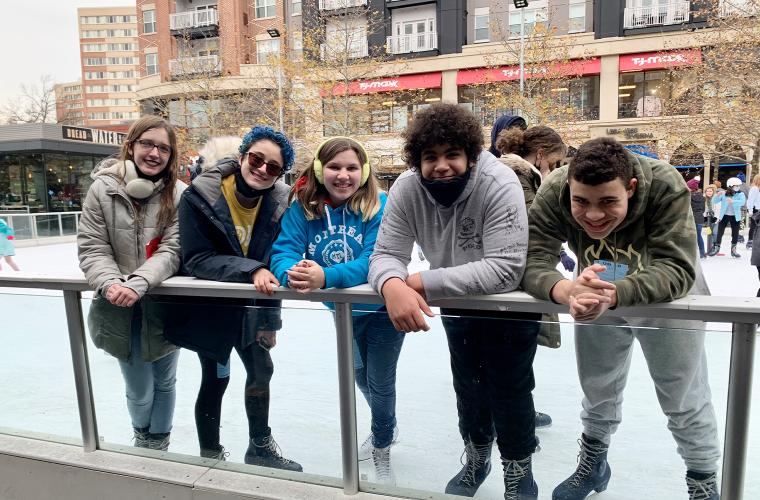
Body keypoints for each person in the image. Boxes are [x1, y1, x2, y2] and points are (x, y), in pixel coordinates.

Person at [523, 137, 720, 500]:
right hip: (595, 286)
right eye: (580, 202)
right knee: (597, 386)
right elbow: (533, 259)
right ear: (569, 187)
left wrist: (617, 293)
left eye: (609, 201)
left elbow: (677, 268)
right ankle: (594, 463)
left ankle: (703, 481)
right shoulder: (554, 189)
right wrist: (567, 291)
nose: (594, 215)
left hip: (667, 298)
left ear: (630, 188)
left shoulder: (664, 185)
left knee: (683, 396)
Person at [368, 103, 540, 499]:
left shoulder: (499, 182)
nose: (441, 166)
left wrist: (419, 281)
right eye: (430, 157)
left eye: (452, 155)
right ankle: (477, 455)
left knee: (511, 388)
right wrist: (393, 286)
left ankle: (518, 470)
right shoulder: (407, 189)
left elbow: (505, 269)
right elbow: (384, 254)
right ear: (416, 161)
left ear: (471, 154)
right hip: (457, 302)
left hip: (509, 305)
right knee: (468, 384)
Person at [164, 126, 302, 471]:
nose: (262, 170)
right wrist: (251, 269)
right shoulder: (201, 195)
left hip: (255, 309)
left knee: (261, 371)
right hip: (212, 309)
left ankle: (260, 447)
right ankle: (210, 453)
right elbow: (196, 258)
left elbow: (276, 262)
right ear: (242, 157)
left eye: (274, 167)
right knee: (216, 377)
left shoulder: (280, 201)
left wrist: (271, 321)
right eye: (257, 159)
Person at [270, 136, 403, 485]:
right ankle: (385, 423)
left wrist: (325, 275)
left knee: (381, 382)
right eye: (334, 167)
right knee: (360, 376)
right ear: (319, 169)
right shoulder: (303, 208)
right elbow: (284, 250)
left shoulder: (380, 205)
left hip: (383, 312)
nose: (343, 175)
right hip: (342, 313)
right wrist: (292, 272)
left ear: (364, 171)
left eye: (351, 168)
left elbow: (375, 259)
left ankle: (383, 446)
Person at [77, 115, 185, 451]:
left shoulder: (180, 194)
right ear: (131, 146)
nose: (154, 153)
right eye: (147, 144)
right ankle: (143, 436)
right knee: (139, 386)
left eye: (163, 148)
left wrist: (139, 282)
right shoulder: (102, 190)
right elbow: (92, 246)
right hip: (119, 307)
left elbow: (174, 249)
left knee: (166, 381)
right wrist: (110, 284)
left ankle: (158, 444)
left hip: (165, 307)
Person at [494, 124, 570, 431]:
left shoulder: (523, 176)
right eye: (554, 162)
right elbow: (529, 224)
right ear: (540, 155)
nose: (554, 168)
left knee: (517, 355)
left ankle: (520, 412)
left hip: (521, 272)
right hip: (517, 276)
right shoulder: (519, 177)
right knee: (514, 355)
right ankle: (516, 420)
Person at [707, 176, 746, 258]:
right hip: (724, 216)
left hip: (735, 216)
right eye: (736, 186)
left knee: (735, 233)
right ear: (730, 186)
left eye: (738, 186)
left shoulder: (741, 194)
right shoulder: (724, 193)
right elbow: (714, 201)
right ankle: (716, 248)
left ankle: (733, 250)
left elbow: (742, 202)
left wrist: (733, 201)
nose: (738, 187)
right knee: (719, 233)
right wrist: (717, 195)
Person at [687, 178, 707, 259]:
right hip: (699, 219)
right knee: (698, 236)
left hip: (691, 218)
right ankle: (702, 252)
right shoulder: (702, 197)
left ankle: (691, 253)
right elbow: (703, 209)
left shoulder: (688, 197)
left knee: (690, 236)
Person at [746, 174, 760, 249]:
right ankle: (750, 241)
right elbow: (750, 200)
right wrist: (750, 210)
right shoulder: (754, 189)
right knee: (754, 227)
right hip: (755, 210)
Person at [703, 184, 718, 254]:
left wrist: (716, 216)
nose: (709, 192)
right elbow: (703, 209)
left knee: (715, 232)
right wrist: (705, 216)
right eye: (707, 191)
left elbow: (718, 208)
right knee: (709, 233)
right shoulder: (703, 199)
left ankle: (715, 245)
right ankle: (710, 247)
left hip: (716, 218)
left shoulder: (716, 198)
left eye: (710, 191)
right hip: (708, 219)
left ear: (713, 192)